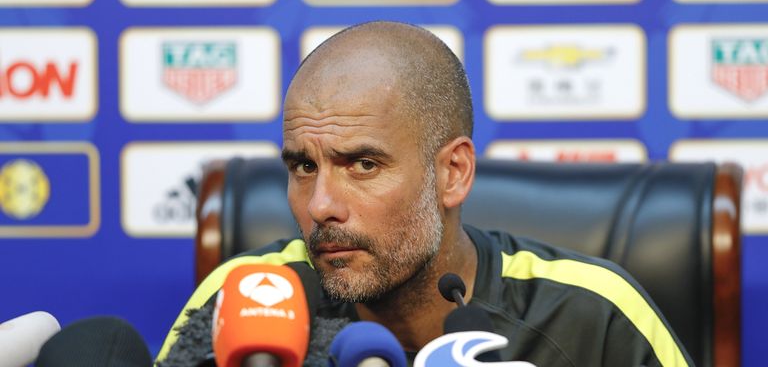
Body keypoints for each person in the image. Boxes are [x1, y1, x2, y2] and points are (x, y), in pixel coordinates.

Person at [156, 21, 693, 366]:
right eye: (303, 166)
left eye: (363, 164)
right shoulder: (246, 301)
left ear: (453, 173)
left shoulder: (593, 319)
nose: (320, 205)